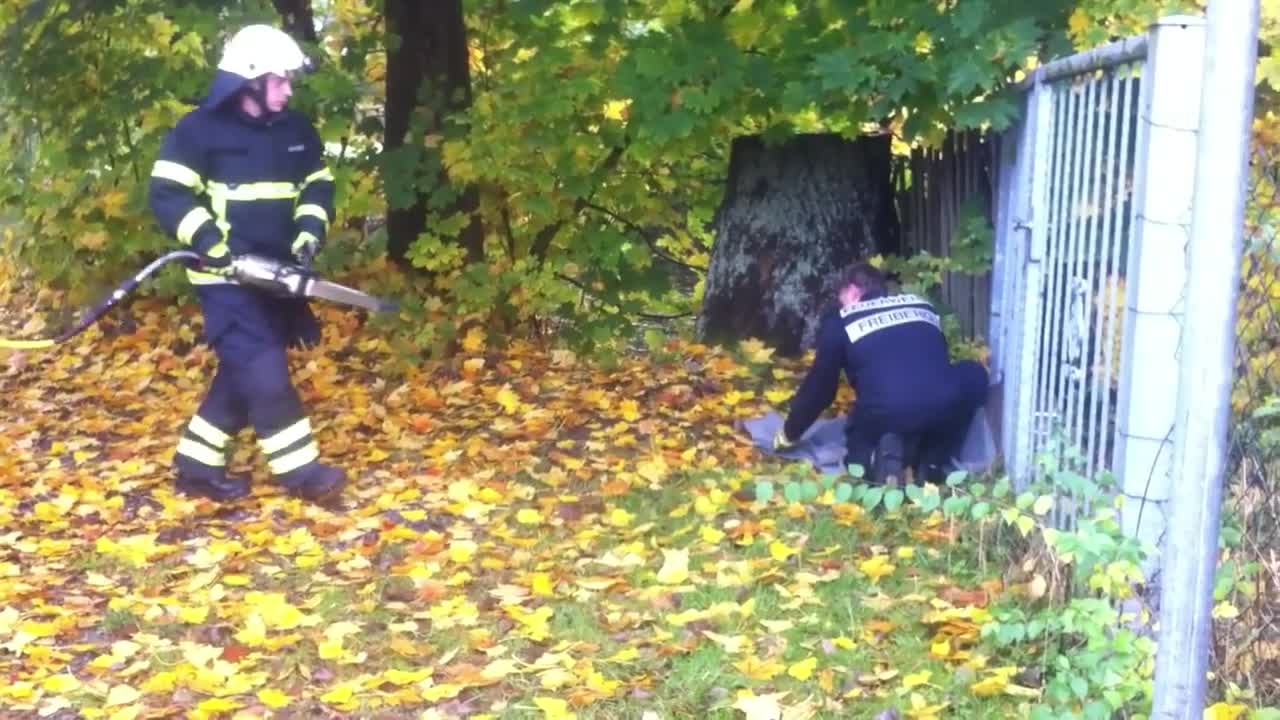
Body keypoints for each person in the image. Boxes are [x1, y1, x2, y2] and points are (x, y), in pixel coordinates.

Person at [147, 24, 345, 502]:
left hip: (278, 278)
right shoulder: (197, 132)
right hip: (225, 280)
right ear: (251, 81)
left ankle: (195, 467)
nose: (289, 90)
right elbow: (168, 194)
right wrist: (211, 244)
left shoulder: (297, 131)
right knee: (263, 369)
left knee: (241, 373)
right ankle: (301, 474)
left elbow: (318, 186)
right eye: (281, 81)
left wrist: (308, 233)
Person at [773, 262, 988, 485]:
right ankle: (934, 459)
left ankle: (876, 460)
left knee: (857, 450)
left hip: (885, 410)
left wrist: (790, 432)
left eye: (842, 297)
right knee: (973, 374)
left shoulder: (843, 320)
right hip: (941, 402)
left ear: (854, 291)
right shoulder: (922, 306)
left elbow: (820, 389)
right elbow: (937, 359)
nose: (841, 304)